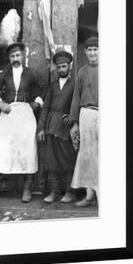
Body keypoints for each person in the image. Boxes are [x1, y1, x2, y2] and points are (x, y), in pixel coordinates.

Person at [0, 42, 44, 203]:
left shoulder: (31, 73)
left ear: (24, 55)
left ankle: (27, 189)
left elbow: (44, 88)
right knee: (1, 149)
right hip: (8, 114)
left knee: (27, 151)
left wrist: (37, 103)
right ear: (9, 58)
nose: (15, 59)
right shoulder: (5, 74)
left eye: (18, 55)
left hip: (26, 115)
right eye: (12, 56)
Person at [36, 50, 78, 203]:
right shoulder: (53, 86)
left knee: (67, 159)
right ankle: (54, 192)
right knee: (51, 160)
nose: (61, 69)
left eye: (64, 66)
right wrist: (41, 128)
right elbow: (45, 108)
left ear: (70, 66)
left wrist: (73, 117)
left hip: (65, 128)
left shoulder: (75, 84)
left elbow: (77, 104)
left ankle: (70, 192)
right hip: (50, 127)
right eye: (59, 67)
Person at [69, 36, 99, 207]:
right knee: (87, 155)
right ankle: (89, 195)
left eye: (96, 49)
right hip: (86, 114)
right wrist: (74, 123)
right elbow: (75, 98)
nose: (93, 53)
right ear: (85, 52)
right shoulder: (81, 72)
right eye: (90, 50)